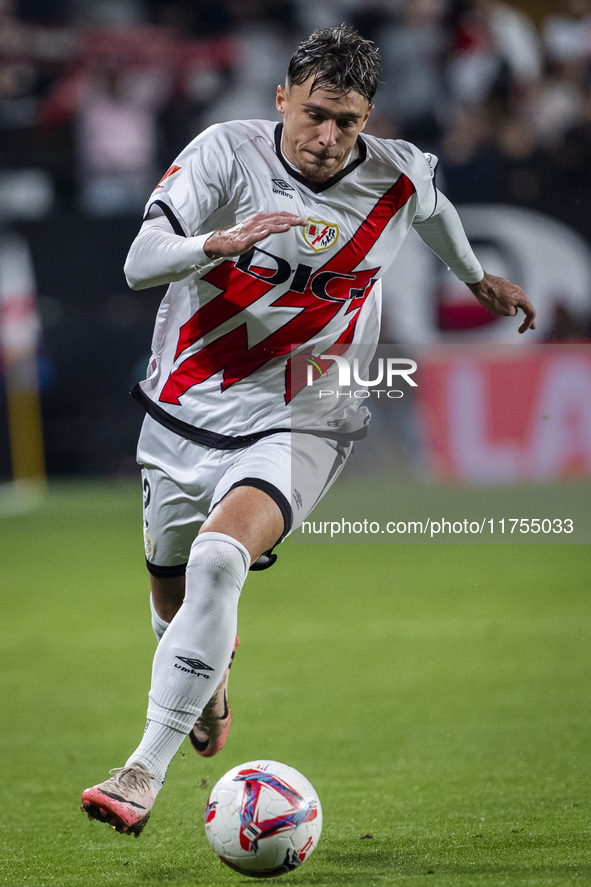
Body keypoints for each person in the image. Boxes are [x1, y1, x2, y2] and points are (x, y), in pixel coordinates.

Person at [80, 24, 536, 837]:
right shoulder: (226, 152)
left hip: (307, 407)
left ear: (369, 119)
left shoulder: (396, 175)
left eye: (350, 122)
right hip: (185, 402)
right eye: (317, 114)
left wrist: (475, 277)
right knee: (170, 598)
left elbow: (435, 212)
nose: (328, 137)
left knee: (222, 557)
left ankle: (140, 770)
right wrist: (211, 243)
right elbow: (139, 260)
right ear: (282, 98)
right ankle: (206, 680)